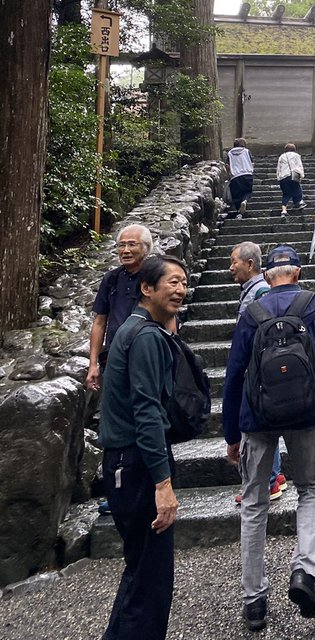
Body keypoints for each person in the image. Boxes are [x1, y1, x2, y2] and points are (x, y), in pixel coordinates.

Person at [222, 245, 315, 631]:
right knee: (310, 489)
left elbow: (234, 372)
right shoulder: (314, 306)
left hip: (257, 418)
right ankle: (304, 571)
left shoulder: (252, 311)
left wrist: (231, 432)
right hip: (306, 415)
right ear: (298, 272)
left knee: (255, 503)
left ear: (268, 276)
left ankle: (255, 600)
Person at [98, 254, 188, 640]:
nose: (181, 290)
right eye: (172, 282)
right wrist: (163, 483)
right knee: (152, 583)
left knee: (139, 572)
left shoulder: (133, 330)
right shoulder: (147, 337)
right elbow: (147, 412)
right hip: (136, 465)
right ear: (146, 288)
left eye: (184, 282)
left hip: (122, 463)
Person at [229, 242, 286, 503]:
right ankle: (275, 476)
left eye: (234, 262)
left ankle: (270, 480)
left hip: (259, 371)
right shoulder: (253, 290)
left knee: (262, 423)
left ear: (250, 264)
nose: (231, 268)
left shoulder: (261, 292)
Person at [87, 223, 154, 391]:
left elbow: (168, 317)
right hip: (114, 355)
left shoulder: (156, 276)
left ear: (146, 248)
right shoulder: (111, 279)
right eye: (121, 245)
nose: (125, 250)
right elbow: (100, 321)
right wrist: (93, 364)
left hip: (147, 354)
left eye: (132, 244)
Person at [275, 143, 305, 217]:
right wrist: (302, 175)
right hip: (293, 175)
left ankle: (284, 211)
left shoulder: (282, 156)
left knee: (286, 194)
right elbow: (299, 166)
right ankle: (299, 202)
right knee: (297, 189)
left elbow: (279, 168)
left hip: (283, 177)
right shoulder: (296, 155)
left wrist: (278, 177)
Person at [227, 138, 254, 216]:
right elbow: (252, 163)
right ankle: (245, 201)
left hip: (235, 176)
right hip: (247, 174)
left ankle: (239, 211)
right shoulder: (246, 151)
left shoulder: (229, 153)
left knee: (236, 195)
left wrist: (229, 174)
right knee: (247, 191)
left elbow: (227, 166)